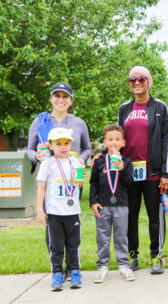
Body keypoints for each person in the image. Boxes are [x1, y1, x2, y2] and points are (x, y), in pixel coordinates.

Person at [27, 82, 91, 280]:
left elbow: (87, 149)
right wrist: (35, 156)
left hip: (72, 181)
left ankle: (73, 268)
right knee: (53, 226)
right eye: (57, 96)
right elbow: (29, 149)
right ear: (51, 98)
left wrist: (82, 159)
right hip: (49, 182)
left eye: (65, 96)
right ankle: (57, 270)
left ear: (71, 100)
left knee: (72, 226)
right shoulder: (40, 121)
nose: (61, 100)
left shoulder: (78, 123)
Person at [117, 66, 168, 274]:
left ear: (148, 81)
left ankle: (156, 256)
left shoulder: (160, 107)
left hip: (153, 172)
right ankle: (133, 255)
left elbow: (166, 140)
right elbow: (117, 138)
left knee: (155, 217)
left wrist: (166, 174)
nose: (137, 82)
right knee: (130, 216)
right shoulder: (124, 108)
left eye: (141, 79)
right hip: (129, 172)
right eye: (132, 79)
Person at [36, 127, 84, 291]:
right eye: (58, 144)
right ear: (50, 145)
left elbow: (78, 185)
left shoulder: (75, 162)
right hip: (54, 213)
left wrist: (81, 179)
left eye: (66, 143)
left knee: (73, 244)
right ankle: (57, 273)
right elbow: (41, 187)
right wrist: (39, 210)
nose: (63, 147)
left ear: (71, 144)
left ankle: (74, 271)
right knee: (56, 245)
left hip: (73, 212)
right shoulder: (47, 164)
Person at [89, 124, 135, 283]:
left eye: (117, 139)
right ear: (104, 142)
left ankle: (123, 265)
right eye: (110, 139)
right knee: (102, 237)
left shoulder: (127, 161)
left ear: (123, 142)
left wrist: (122, 169)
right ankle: (102, 266)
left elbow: (130, 183)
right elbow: (93, 183)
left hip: (121, 205)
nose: (114, 142)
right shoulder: (99, 161)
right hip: (102, 206)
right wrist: (92, 202)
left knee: (121, 236)